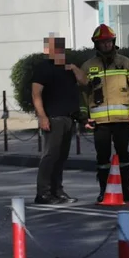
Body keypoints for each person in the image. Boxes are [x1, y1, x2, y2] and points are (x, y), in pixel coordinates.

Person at [79, 24, 129, 202]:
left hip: (123, 119)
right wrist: (84, 117)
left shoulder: (125, 62)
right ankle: (104, 190)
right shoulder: (88, 66)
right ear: (96, 45)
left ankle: (126, 189)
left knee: (124, 155)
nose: (106, 45)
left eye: (109, 42)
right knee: (102, 157)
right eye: (102, 43)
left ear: (113, 42)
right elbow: (83, 93)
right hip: (99, 122)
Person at [31, 35, 88, 204]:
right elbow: (36, 94)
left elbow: (84, 81)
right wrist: (42, 117)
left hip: (68, 118)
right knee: (50, 155)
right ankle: (43, 193)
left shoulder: (68, 68)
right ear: (48, 51)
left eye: (60, 49)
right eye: (55, 49)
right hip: (53, 118)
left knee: (62, 156)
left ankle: (58, 190)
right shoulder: (43, 68)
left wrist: (75, 69)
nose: (59, 52)